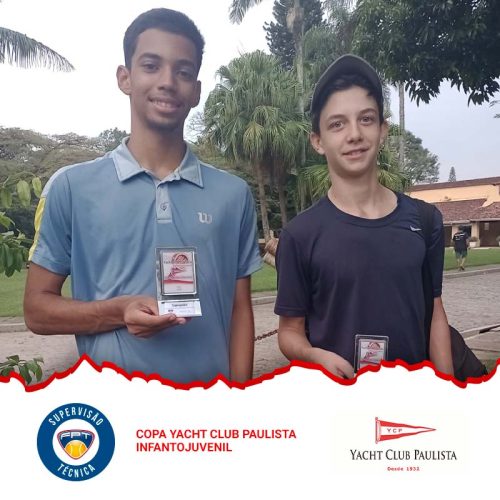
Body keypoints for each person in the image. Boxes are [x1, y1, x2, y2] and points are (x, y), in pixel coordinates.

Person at [24, 8, 261, 383]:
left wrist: (239, 399)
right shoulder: (71, 187)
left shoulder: (233, 195)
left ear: (196, 90)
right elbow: (37, 311)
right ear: (125, 78)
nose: (167, 82)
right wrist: (118, 311)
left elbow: (240, 310)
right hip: (112, 409)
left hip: (209, 408)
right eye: (151, 66)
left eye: (183, 72)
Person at [274, 54, 453, 379]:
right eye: (337, 124)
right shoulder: (300, 235)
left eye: (366, 119)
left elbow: (436, 315)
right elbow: (289, 331)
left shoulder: (424, 220)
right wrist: (313, 355)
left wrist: (448, 390)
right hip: (337, 400)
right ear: (318, 141)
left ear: (383, 130)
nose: (354, 134)